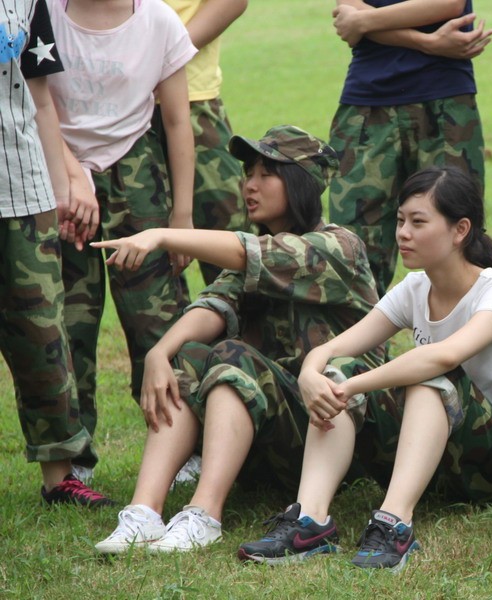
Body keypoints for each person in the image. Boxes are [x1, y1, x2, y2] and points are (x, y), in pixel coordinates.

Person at [237, 166, 492, 572]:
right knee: (341, 370)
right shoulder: (414, 288)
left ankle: (394, 523)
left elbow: (442, 357)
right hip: (442, 461)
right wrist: (311, 373)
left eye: (418, 223)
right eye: (401, 220)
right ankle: (310, 522)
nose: (403, 233)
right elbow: (335, 349)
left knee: (428, 375)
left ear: (460, 230)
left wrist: (353, 386)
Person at [91, 125, 383, 554]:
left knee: (233, 356)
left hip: (337, 434)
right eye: (248, 173)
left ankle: (203, 514)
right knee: (190, 354)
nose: (249, 184)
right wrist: (160, 352)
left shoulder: (338, 247)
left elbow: (250, 253)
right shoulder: (255, 257)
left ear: (301, 183)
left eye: (266, 174)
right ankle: (144, 512)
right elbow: (214, 305)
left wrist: (161, 235)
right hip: (277, 430)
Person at [46, 0, 198, 479]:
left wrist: (182, 217)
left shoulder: (158, 20)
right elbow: (34, 104)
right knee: (69, 325)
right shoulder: (42, 14)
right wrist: (67, 177)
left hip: (137, 179)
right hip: (62, 181)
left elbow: (177, 121)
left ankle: (182, 446)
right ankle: (74, 457)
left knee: (158, 322)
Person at [1, 0, 112, 506]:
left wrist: (59, 189)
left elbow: (41, 99)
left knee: (42, 334)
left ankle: (60, 476)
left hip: (23, 191)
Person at [329, 0, 492, 296]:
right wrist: (428, 42)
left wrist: (364, 22)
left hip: (444, 99)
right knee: (352, 251)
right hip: (367, 102)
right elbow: (347, 13)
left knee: (456, 241)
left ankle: (465, 328)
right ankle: (362, 330)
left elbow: (449, 4)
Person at [157, 0, 253, 286]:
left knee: (230, 241)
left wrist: (165, 58)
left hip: (194, 99)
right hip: (117, 108)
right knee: (148, 258)